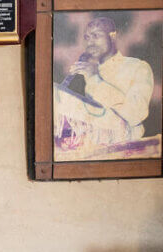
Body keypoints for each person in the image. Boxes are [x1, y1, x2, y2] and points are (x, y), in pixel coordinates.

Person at [55, 16, 155, 154]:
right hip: (89, 148)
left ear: (112, 36)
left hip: (125, 148)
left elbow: (135, 113)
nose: (90, 42)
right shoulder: (89, 71)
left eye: (96, 36)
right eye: (87, 37)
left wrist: (94, 79)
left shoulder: (137, 67)